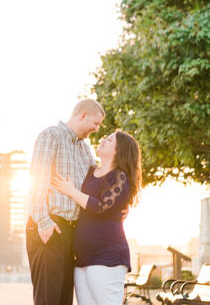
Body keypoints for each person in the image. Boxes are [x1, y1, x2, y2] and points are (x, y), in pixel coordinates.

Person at [25, 99, 105, 305]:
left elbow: (98, 181)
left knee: (63, 300)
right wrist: (44, 223)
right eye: (96, 123)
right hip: (50, 226)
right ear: (83, 115)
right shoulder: (50, 136)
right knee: (48, 299)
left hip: (71, 232)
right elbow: (37, 181)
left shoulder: (85, 150)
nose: (96, 129)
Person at [52, 129, 142, 305]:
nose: (103, 140)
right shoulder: (91, 171)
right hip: (82, 258)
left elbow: (101, 206)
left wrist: (71, 191)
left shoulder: (119, 177)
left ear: (119, 150)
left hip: (107, 256)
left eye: (109, 140)